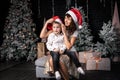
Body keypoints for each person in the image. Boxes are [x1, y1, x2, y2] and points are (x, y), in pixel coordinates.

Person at [40, 8, 85, 79]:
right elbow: (42, 36)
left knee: (59, 60)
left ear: (72, 21)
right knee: (52, 59)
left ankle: (66, 77)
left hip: (67, 50)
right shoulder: (58, 27)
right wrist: (47, 23)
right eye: (65, 18)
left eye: (69, 19)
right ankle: (57, 73)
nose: (66, 20)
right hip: (57, 50)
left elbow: (69, 46)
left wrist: (64, 32)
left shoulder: (74, 31)